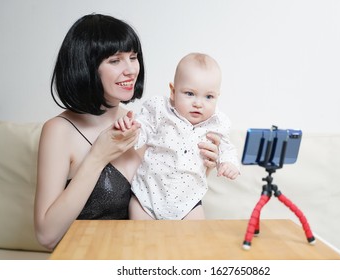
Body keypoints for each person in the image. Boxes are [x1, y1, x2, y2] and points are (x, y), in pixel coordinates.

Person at [34, 14, 220, 250]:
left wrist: (203, 167)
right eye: (115, 60)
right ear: (86, 67)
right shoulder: (59, 131)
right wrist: (98, 156)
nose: (131, 69)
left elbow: (171, 206)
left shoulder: (147, 121)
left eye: (133, 57)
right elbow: (46, 236)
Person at [115, 52, 240, 220]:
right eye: (189, 93)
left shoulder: (216, 123)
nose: (198, 103)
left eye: (208, 96)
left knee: (194, 241)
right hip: (147, 196)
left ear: (217, 97)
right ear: (173, 92)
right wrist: (131, 130)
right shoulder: (160, 110)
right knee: (140, 239)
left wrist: (229, 163)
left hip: (189, 203)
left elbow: (226, 147)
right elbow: (143, 127)